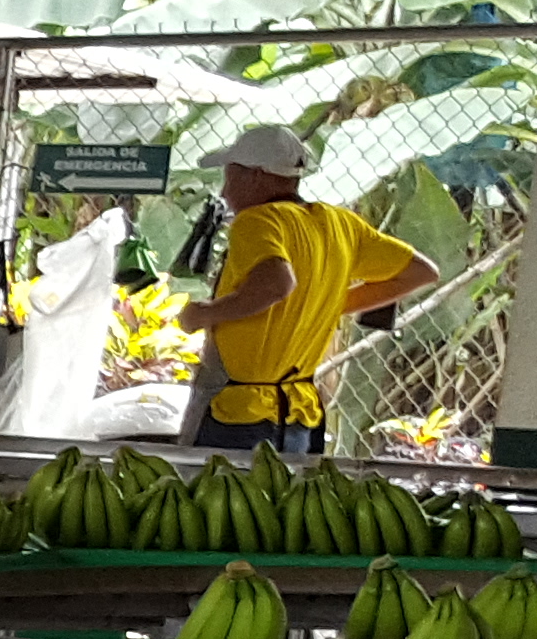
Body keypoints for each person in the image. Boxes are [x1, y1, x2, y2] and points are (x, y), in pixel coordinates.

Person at [187, 124, 438, 453]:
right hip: (298, 411)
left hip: (239, 412)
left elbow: (277, 283)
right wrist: (329, 303)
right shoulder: (340, 225)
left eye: (230, 178)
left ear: (256, 176)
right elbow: (420, 272)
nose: (224, 193)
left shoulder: (258, 221)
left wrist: (205, 314)